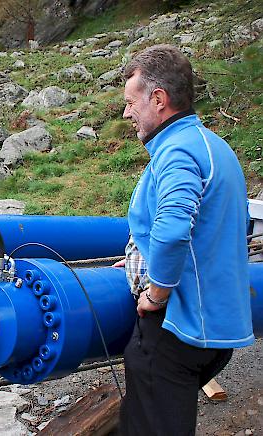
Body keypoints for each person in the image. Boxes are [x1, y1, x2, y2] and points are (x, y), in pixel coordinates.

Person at [116, 44, 253, 435]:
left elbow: (174, 231)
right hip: (217, 328)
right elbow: (217, 231)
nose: (127, 113)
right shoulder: (213, 146)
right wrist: (136, 258)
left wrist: (156, 293)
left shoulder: (176, 151)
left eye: (131, 102)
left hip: (178, 327)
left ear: (158, 99)